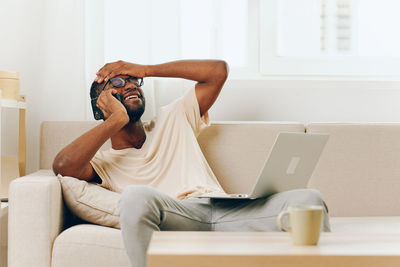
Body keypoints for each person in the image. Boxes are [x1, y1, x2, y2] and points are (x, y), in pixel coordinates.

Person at [53, 59, 330, 267]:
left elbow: (217, 72)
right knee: (136, 197)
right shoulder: (103, 163)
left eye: (133, 81)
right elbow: (63, 166)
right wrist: (116, 120)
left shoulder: (172, 117)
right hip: (175, 217)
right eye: (116, 83)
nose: (130, 85)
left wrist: (145, 69)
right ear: (100, 105)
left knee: (309, 199)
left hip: (221, 209)